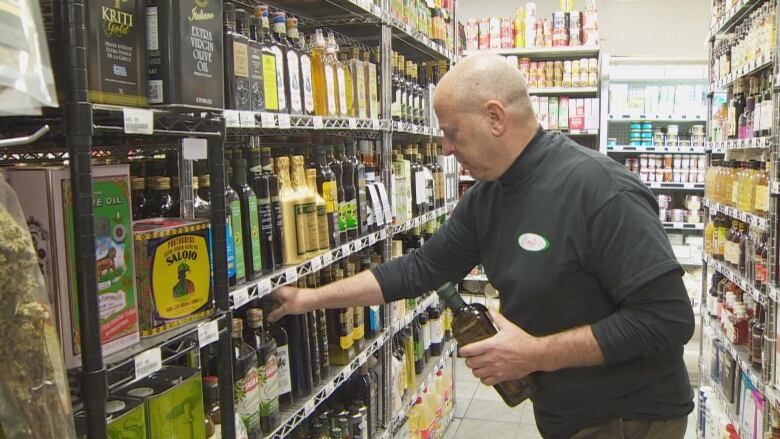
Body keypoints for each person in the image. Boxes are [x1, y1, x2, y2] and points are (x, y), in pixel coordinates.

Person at [267, 53, 695, 439]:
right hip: (568, 414)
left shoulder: (599, 190)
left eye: (452, 132)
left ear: (495, 117)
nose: (447, 148)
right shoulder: (487, 198)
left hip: (631, 420)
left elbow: (667, 319)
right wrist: (307, 298)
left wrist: (535, 354)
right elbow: (418, 269)